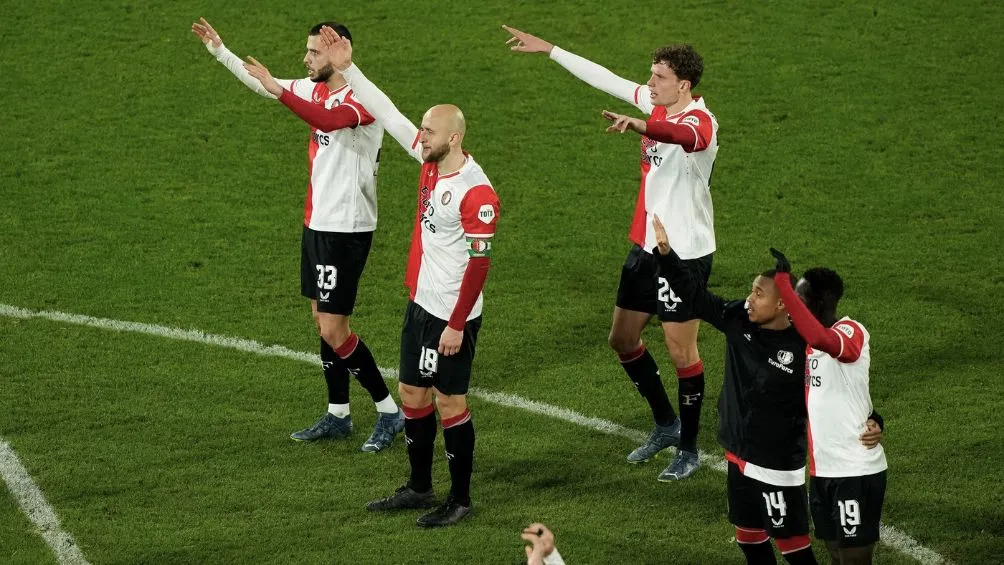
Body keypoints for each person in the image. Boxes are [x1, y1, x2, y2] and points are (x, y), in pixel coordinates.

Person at [502, 25, 719, 480]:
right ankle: (666, 424)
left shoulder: (701, 122)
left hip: (684, 255)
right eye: (652, 75)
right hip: (645, 247)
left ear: (684, 85)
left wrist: (640, 124)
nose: (650, 83)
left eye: (659, 77)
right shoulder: (658, 103)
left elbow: (683, 138)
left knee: (682, 351)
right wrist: (552, 49)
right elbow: (607, 79)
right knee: (622, 340)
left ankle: (691, 448)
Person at [191, 19, 405, 452]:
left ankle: (389, 411)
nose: (305, 59)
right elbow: (265, 86)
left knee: (334, 329)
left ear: (336, 52)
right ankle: (339, 414)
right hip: (317, 223)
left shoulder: (362, 100)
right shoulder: (318, 88)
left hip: (347, 228)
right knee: (321, 322)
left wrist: (282, 89)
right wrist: (221, 51)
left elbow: (325, 121)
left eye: (313, 52)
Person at [316, 26, 501, 527]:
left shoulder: (476, 194)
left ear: (455, 138)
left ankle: (459, 498)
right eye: (422, 129)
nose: (421, 136)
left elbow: (480, 265)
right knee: (414, 396)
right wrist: (349, 66)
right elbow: (388, 111)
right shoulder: (428, 159)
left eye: (431, 131)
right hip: (422, 304)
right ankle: (420, 488)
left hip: (452, 315)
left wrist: (457, 324)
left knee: (449, 400)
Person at [651, 217, 817, 564]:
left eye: (759, 293)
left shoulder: (804, 348)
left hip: (775, 462)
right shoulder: (739, 319)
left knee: (794, 548)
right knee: (749, 538)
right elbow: (696, 298)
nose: (750, 298)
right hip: (737, 452)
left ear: (784, 304)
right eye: (750, 290)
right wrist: (667, 257)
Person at [769, 250, 889, 565]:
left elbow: (823, 338)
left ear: (820, 303)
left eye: (800, 298)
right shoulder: (803, 346)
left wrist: (782, 283)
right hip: (822, 472)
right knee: (836, 556)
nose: (793, 305)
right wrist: (875, 418)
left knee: (854, 560)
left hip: (855, 469)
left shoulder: (850, 331)